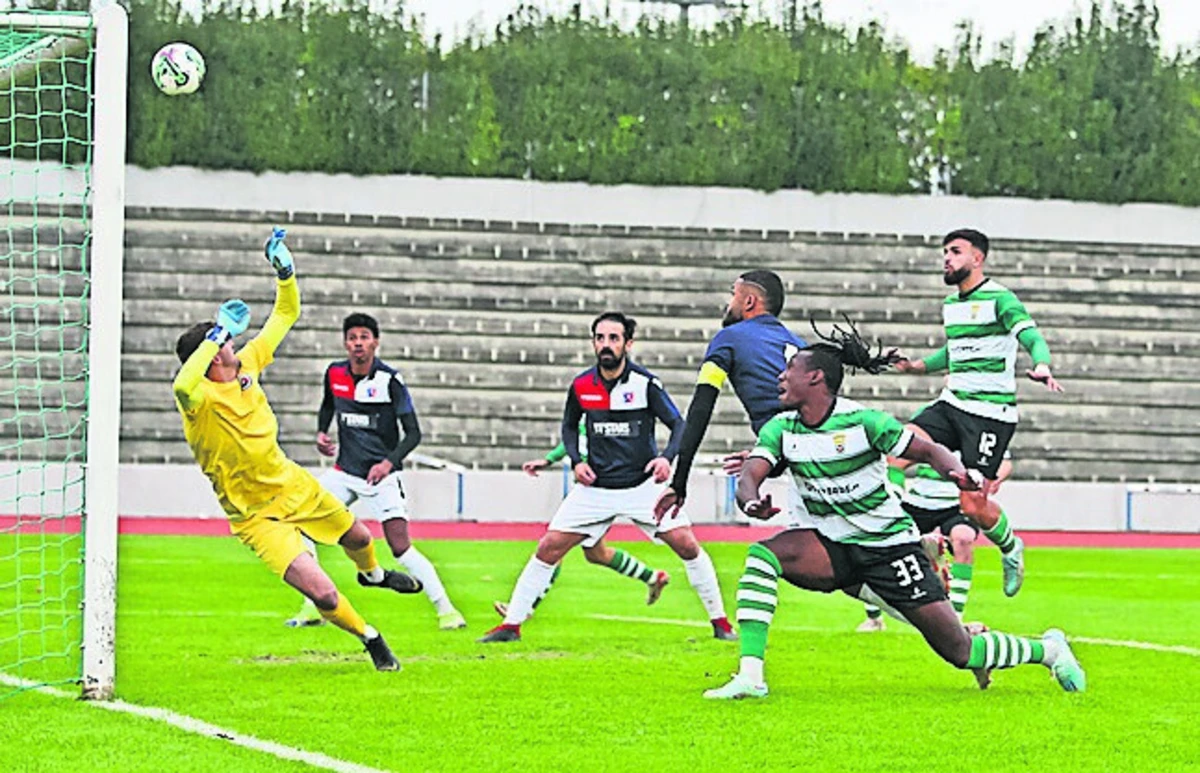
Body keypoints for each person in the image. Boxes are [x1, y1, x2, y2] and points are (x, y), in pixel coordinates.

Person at [703, 322, 1084, 699]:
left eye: (790, 370)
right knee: (764, 555)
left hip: (889, 549)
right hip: (832, 545)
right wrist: (751, 501)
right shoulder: (781, 428)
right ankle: (751, 676)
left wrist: (957, 473)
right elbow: (752, 472)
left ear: (816, 377)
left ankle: (1048, 650)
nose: (780, 377)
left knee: (959, 650)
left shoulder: (864, 422)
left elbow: (927, 450)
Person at [172, 228, 420, 672]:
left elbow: (286, 313)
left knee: (361, 539)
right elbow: (182, 382)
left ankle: (374, 576)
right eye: (225, 341)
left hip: (292, 484)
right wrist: (214, 334)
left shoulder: (248, 363)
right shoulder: (198, 400)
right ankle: (372, 639)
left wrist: (285, 271)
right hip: (255, 516)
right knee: (322, 593)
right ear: (212, 356)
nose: (232, 342)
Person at [479, 312, 734, 643]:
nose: (606, 345)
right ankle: (511, 627)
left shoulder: (646, 384)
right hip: (595, 489)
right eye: (600, 338)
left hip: (643, 487)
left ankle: (721, 624)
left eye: (614, 338)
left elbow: (679, 425)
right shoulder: (582, 385)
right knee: (549, 547)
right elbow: (569, 426)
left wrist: (666, 458)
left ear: (628, 344)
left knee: (687, 544)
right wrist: (575, 461)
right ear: (593, 342)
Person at [890, 228, 1064, 597]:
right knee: (897, 450)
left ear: (977, 259)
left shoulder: (1001, 298)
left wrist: (1043, 364)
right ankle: (893, 530)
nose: (947, 259)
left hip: (989, 415)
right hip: (952, 403)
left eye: (955, 252)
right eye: (945, 253)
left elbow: (1029, 334)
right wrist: (917, 366)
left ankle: (1011, 546)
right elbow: (957, 351)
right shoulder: (951, 305)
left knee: (973, 504)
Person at [286, 313, 466, 631]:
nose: (358, 343)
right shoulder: (334, 373)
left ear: (375, 342)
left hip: (381, 476)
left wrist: (388, 463)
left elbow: (413, 434)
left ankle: (447, 610)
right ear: (345, 343)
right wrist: (321, 433)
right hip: (344, 472)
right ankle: (313, 605)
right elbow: (328, 405)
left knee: (401, 547)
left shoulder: (390, 380)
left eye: (364, 337)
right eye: (353, 337)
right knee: (301, 526)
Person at [654, 270, 807, 525]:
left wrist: (679, 481)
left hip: (804, 464)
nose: (728, 304)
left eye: (733, 295)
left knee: (775, 558)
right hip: (823, 458)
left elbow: (701, 407)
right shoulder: (800, 345)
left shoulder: (729, 338)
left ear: (748, 302)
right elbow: (802, 424)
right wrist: (770, 458)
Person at [858, 452, 1013, 632]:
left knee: (963, 538)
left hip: (958, 503)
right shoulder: (930, 427)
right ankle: (874, 618)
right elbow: (897, 462)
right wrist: (894, 492)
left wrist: (993, 480)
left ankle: (955, 618)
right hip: (919, 501)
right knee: (881, 541)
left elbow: (1005, 462)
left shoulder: (980, 428)